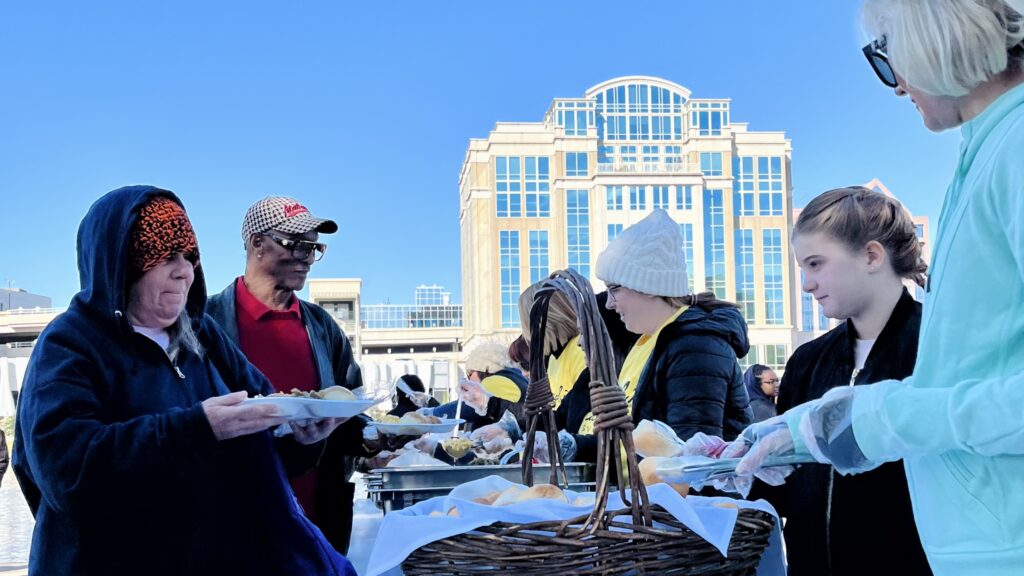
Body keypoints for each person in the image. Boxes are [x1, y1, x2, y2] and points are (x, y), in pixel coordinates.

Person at [729, 2, 1024, 574]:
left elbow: (928, 408)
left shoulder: (1015, 146)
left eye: (887, 54)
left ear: (937, 32)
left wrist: (879, 419)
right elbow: (973, 373)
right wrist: (787, 433)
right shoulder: (985, 150)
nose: (894, 85)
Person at [11, 186, 354, 576]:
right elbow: (66, 473)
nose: (184, 271)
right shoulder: (69, 343)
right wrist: (197, 428)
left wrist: (302, 437)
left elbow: (266, 435)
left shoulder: (204, 335)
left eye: (190, 257)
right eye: (166, 257)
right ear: (122, 264)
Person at [770, 187, 932, 575]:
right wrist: (716, 470)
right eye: (803, 269)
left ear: (871, 256)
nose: (807, 284)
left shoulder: (937, 347)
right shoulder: (807, 361)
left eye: (816, 264)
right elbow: (785, 478)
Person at [206, 195, 374, 556]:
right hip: (232, 522)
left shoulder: (323, 327)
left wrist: (376, 440)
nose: (307, 258)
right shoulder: (205, 323)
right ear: (256, 245)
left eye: (314, 248)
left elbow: (349, 408)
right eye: (296, 245)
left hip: (316, 523)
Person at [564, 210, 752, 463]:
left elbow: (688, 458)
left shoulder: (695, 346)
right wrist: (573, 446)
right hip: (648, 497)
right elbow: (638, 442)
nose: (608, 303)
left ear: (648, 286)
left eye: (614, 289)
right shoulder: (647, 342)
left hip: (686, 502)